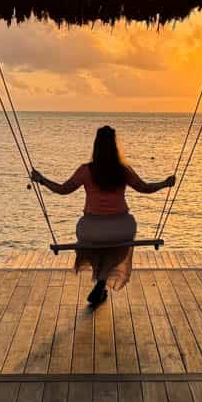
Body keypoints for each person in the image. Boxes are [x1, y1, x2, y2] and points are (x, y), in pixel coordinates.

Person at [30, 126, 174, 307]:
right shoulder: (123, 170)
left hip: (91, 229)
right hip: (121, 227)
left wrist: (41, 179)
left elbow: (63, 190)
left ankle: (100, 283)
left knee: (96, 245)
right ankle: (101, 283)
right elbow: (145, 188)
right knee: (114, 248)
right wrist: (165, 183)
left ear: (96, 146)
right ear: (114, 146)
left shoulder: (86, 170)